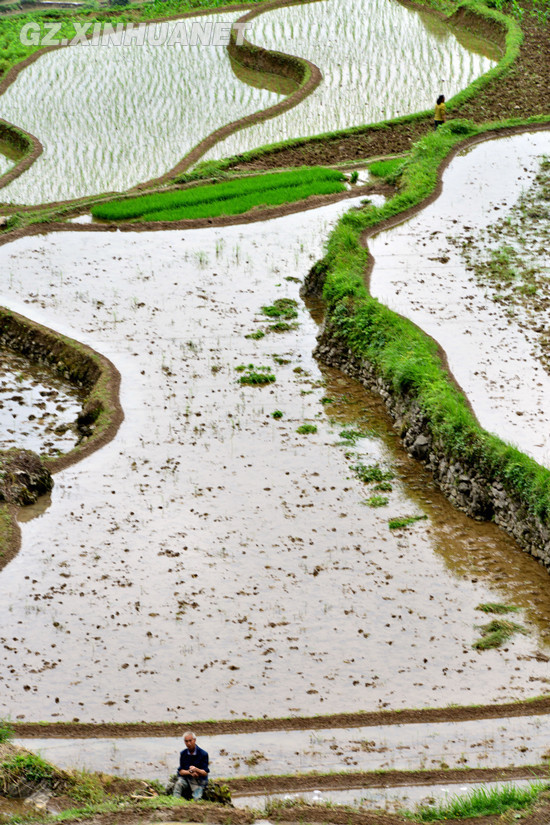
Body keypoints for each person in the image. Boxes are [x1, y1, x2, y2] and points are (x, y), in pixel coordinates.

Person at [172, 731, 209, 800]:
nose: (188, 743)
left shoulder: (203, 754)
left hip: (199, 781)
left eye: (190, 741)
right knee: (178, 784)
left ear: (194, 740)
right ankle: (175, 803)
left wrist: (196, 770)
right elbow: (181, 771)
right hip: (186, 779)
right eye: (186, 741)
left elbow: (205, 772)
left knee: (197, 798)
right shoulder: (183, 753)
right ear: (184, 742)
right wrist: (190, 772)